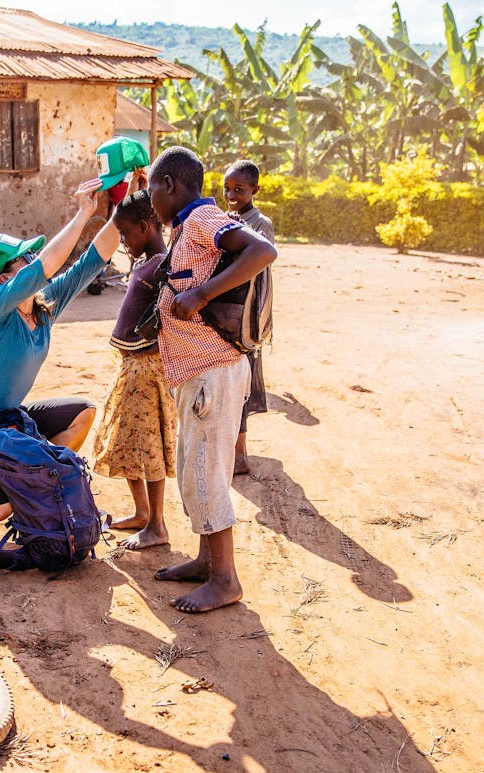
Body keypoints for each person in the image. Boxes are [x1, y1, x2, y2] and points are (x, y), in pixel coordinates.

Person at [0, 179, 122, 530]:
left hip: (7, 420)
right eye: (26, 259)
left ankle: (35, 481)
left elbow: (94, 260)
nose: (35, 260)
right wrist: (84, 213)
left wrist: (127, 206)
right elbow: (46, 267)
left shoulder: (45, 306)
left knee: (83, 413)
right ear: (6, 278)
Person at [146, 146, 277, 613]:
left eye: (150, 188)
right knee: (194, 469)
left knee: (205, 474)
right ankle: (206, 561)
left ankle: (225, 580)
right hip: (199, 375)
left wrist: (201, 293)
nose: (149, 198)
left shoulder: (202, 219)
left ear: (168, 186)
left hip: (212, 372)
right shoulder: (188, 227)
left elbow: (263, 251)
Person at [91, 189, 175, 550]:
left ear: (145, 226)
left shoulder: (165, 264)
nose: (123, 242)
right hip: (132, 366)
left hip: (148, 370)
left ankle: (156, 525)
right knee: (130, 442)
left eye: (126, 234)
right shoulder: (147, 264)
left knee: (150, 447)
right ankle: (143, 514)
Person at [222, 159, 276, 474]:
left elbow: (259, 274)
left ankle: (240, 454)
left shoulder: (260, 224)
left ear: (254, 189)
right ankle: (231, 450)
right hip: (230, 314)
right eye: (227, 188)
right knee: (230, 386)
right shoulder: (226, 218)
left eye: (239, 190)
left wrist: (258, 323)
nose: (232, 194)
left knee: (241, 389)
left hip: (247, 318)